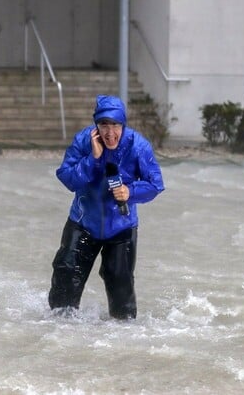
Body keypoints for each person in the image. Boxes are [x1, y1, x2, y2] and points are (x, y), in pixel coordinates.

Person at [48, 94, 165, 319]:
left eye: (115, 125)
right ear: (96, 125)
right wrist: (93, 158)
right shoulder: (84, 141)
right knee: (66, 276)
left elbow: (155, 184)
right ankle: (57, 334)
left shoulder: (138, 146)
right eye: (104, 125)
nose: (110, 133)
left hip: (121, 227)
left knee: (121, 289)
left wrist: (131, 192)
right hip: (83, 223)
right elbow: (67, 178)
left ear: (123, 124)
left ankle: (122, 342)